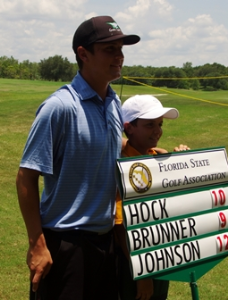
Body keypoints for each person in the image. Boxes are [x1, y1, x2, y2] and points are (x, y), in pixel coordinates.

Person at [16, 15, 140, 300]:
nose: (120, 56)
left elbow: (106, 143)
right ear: (83, 54)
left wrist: (148, 155)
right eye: (110, 49)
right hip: (65, 244)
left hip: (105, 242)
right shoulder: (58, 108)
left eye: (121, 49)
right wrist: (37, 243)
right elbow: (26, 176)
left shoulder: (113, 102)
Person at [115, 94, 189, 300]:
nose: (158, 130)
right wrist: (142, 275)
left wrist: (183, 164)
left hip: (160, 256)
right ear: (129, 127)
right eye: (149, 125)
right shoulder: (124, 166)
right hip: (135, 264)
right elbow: (122, 228)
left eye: (160, 124)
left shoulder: (158, 157)